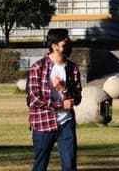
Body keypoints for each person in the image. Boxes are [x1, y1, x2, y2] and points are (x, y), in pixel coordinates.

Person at [27, 28, 82, 171]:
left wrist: (64, 89)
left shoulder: (72, 68)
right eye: (65, 44)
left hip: (66, 123)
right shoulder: (38, 68)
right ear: (54, 46)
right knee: (40, 165)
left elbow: (78, 98)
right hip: (43, 123)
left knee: (70, 165)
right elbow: (34, 100)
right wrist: (60, 104)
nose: (68, 47)